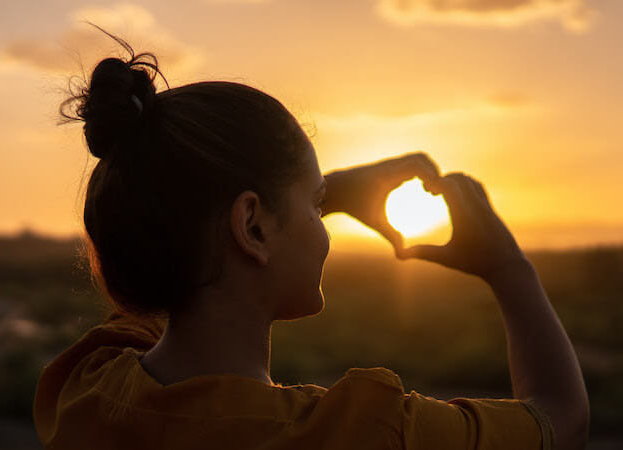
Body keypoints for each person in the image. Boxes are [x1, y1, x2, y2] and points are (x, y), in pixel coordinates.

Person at [33, 26, 589, 450]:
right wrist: (510, 268)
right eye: (317, 206)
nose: (324, 229)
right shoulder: (365, 429)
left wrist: (301, 197)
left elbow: (176, 253)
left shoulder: (84, 388)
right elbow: (559, 418)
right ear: (251, 226)